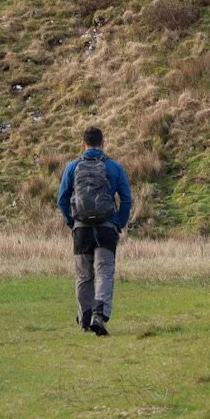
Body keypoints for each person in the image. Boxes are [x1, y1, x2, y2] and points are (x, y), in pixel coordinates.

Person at [57, 125, 132, 335]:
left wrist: (72, 222)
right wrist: (119, 222)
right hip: (107, 227)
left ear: (83, 144)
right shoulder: (114, 167)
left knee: (83, 275)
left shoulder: (72, 167)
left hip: (82, 229)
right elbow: (126, 198)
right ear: (103, 142)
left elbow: (62, 199)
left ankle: (85, 318)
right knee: (104, 273)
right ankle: (99, 316)